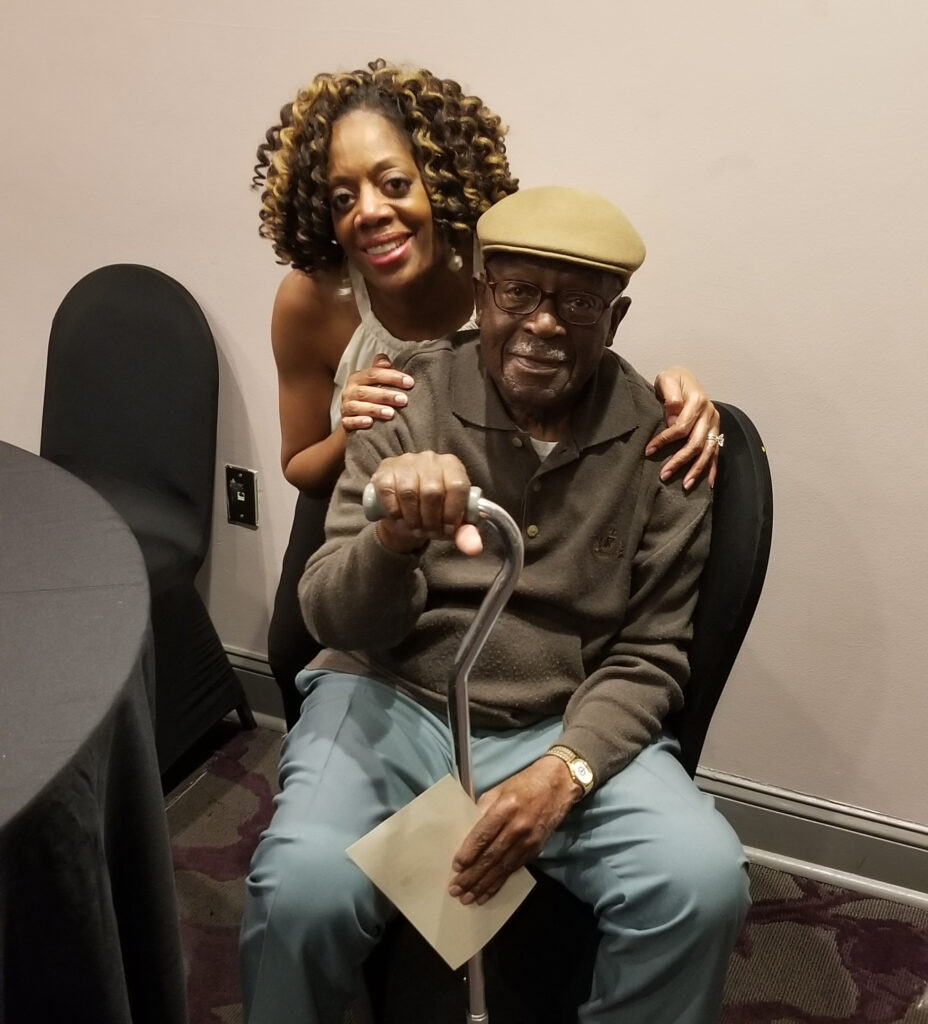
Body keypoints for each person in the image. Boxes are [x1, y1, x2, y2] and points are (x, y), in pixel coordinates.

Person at [240, 185, 749, 1023]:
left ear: (614, 320)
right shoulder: (403, 400)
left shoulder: (664, 445)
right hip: (391, 694)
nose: (544, 324)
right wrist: (392, 540)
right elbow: (329, 617)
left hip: (561, 716)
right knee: (303, 889)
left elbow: (651, 655)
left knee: (698, 882)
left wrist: (567, 770)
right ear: (483, 293)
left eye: (577, 302)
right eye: (518, 292)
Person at [252, 59, 725, 728]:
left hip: (474, 478)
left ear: (438, 181)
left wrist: (677, 389)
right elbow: (299, 463)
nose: (370, 213)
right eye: (341, 197)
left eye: (392, 183)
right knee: (296, 648)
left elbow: (567, 342)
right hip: (354, 480)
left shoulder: (490, 265)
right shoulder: (315, 298)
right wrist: (354, 431)